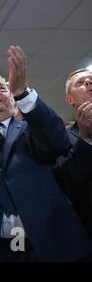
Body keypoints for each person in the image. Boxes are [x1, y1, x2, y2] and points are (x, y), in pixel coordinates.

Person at [0, 46, 92, 261]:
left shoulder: (34, 127)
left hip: (48, 243)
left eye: (0, 87)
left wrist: (22, 92)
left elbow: (58, 143)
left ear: (11, 96)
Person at [53, 68, 92, 241]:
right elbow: (66, 182)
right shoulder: (61, 137)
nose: (89, 83)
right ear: (70, 100)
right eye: (81, 82)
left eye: (91, 81)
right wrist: (86, 139)